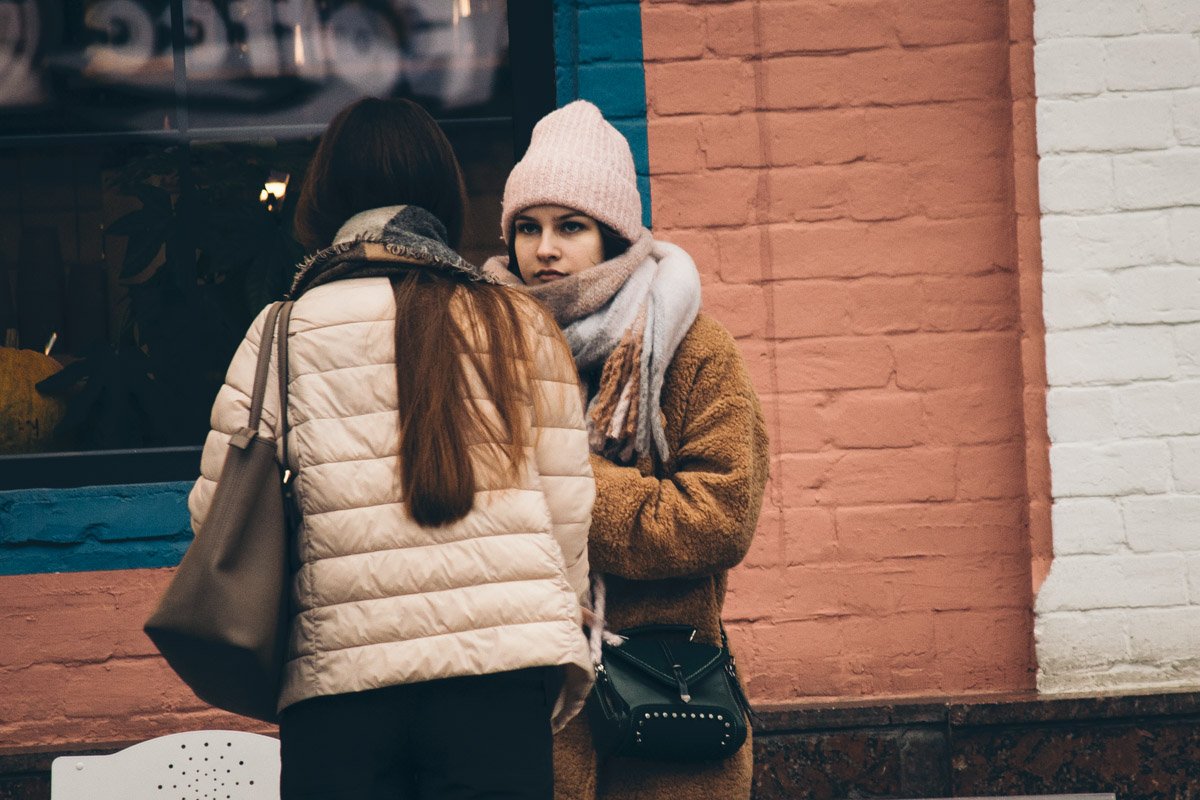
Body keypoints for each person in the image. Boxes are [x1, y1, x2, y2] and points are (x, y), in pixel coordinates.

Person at [188, 97, 596, 800]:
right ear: (443, 192)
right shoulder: (519, 323)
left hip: (340, 692)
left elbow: (216, 516)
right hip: (499, 681)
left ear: (325, 196)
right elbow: (567, 516)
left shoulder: (281, 330)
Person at [483, 100, 770, 800]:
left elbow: (719, 517)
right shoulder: (484, 349)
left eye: (570, 226)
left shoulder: (691, 349)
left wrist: (571, 482)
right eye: (528, 227)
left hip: (663, 712)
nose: (544, 249)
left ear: (612, 235)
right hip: (523, 712)